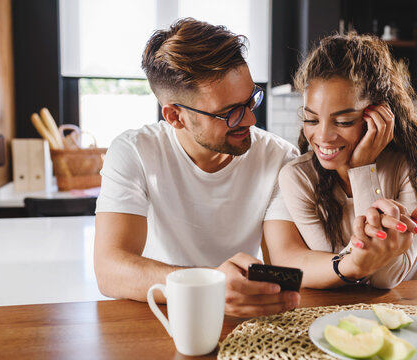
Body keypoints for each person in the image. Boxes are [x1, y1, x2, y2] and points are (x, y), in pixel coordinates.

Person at [93, 18, 301, 317]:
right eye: (229, 112)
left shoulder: (279, 158)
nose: (250, 121)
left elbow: (284, 267)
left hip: (241, 318)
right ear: (175, 116)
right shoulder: (134, 151)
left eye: (250, 100)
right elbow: (109, 270)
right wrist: (208, 285)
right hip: (158, 316)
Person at [272, 33, 417, 289]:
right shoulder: (298, 177)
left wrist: (362, 171)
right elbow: (347, 270)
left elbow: (385, 277)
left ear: (378, 115)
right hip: (335, 313)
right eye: (311, 119)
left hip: (408, 310)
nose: (323, 136)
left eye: (343, 121)